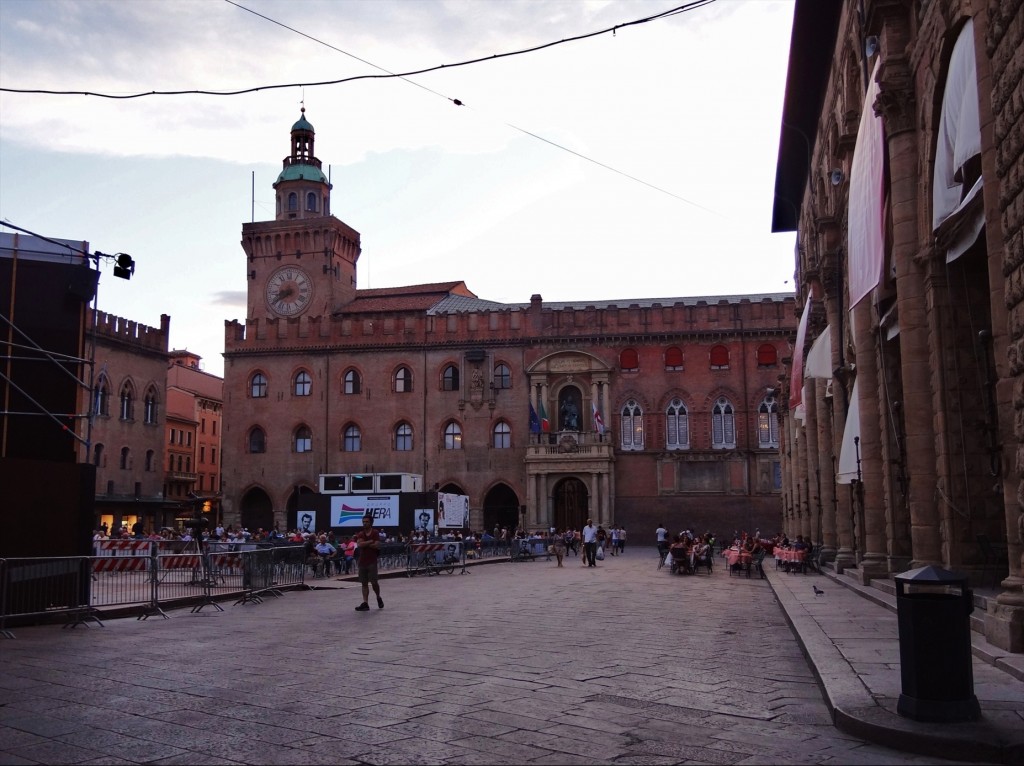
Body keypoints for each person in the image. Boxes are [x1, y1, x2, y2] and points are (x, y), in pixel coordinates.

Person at [354, 514, 384, 611]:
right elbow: (359, 545)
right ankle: (365, 602)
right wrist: (370, 541)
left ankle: (378, 596)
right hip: (362, 561)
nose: (365, 523)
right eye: (364, 522)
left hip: (372, 561)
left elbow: (377, 545)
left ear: (371, 522)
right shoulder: (361, 533)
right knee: (364, 583)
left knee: (374, 582)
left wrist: (365, 543)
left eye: (367, 522)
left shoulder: (375, 532)